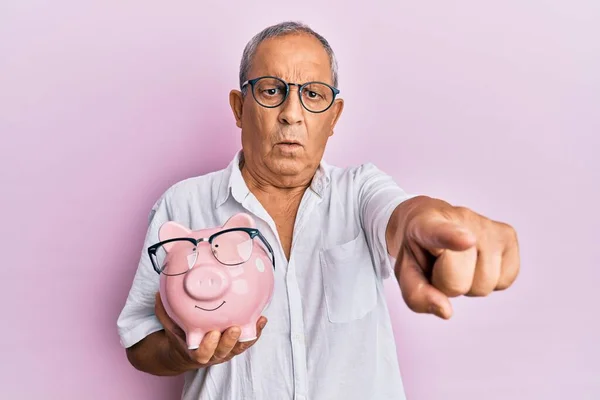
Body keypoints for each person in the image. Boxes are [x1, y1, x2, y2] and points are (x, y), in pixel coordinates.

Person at [117, 21, 520, 400]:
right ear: (239, 108)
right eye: (272, 90)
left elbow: (401, 215)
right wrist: (183, 353)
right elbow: (138, 340)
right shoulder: (183, 204)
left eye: (313, 94)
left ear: (333, 117)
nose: (292, 114)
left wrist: (428, 222)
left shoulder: (359, 192)